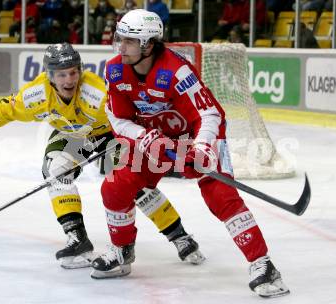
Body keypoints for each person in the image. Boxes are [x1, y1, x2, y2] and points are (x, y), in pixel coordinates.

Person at [90, 9, 290, 299]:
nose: (120, 47)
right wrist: (143, 137)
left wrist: (202, 147)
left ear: (148, 44)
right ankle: (121, 252)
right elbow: (119, 120)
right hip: (155, 137)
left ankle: (263, 265)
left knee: (220, 196)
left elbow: (208, 113)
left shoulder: (177, 70)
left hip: (200, 134)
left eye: (129, 41)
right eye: (119, 39)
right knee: (115, 187)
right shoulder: (115, 70)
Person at [0, 43, 205, 269]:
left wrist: (157, 142)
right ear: (49, 76)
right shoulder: (37, 95)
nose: (69, 79)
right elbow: (7, 110)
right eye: (61, 74)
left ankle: (180, 237)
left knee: (134, 183)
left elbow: (136, 114)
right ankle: (77, 237)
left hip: (113, 133)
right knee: (55, 171)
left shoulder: (97, 94)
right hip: (73, 135)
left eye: (74, 72)